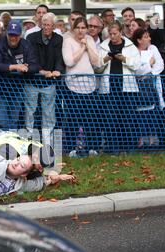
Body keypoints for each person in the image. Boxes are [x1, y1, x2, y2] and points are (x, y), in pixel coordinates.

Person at [0, 20, 39, 130]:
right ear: (6, 33)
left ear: (20, 34)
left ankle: (11, 145)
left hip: (17, 89)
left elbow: (35, 65)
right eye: (11, 34)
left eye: (16, 35)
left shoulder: (26, 44)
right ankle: (2, 145)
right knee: (1, 120)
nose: (13, 38)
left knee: (14, 120)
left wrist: (26, 69)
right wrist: (15, 67)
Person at [99, 21, 140, 152]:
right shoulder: (103, 46)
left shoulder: (130, 46)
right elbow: (97, 67)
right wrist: (106, 59)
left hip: (127, 89)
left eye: (115, 33)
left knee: (128, 120)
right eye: (110, 34)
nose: (112, 36)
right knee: (111, 120)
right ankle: (113, 148)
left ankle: (130, 148)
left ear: (121, 32)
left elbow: (137, 65)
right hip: (109, 89)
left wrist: (124, 59)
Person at [62, 16, 101, 155]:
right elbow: (69, 62)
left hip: (90, 86)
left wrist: (88, 46)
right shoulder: (67, 41)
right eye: (78, 27)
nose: (81, 30)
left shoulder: (90, 39)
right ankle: (72, 149)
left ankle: (91, 148)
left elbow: (96, 62)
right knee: (73, 118)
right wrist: (82, 47)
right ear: (73, 28)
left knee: (91, 119)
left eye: (83, 28)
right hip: (73, 86)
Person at [26, 12, 65, 146]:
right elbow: (30, 58)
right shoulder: (31, 37)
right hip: (32, 80)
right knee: (30, 112)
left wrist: (58, 70)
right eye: (44, 25)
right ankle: (29, 141)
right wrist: (41, 71)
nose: (46, 27)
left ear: (54, 26)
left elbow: (60, 58)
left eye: (49, 25)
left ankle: (48, 143)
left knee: (49, 113)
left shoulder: (58, 39)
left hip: (49, 82)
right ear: (41, 25)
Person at [132, 28, 164, 148]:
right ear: (139, 40)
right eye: (146, 37)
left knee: (152, 113)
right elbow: (136, 70)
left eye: (149, 36)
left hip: (151, 87)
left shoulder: (153, 49)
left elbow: (160, 64)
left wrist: (148, 73)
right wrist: (149, 65)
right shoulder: (133, 51)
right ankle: (140, 141)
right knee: (139, 115)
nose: (149, 39)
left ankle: (152, 140)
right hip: (137, 88)